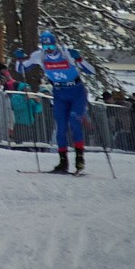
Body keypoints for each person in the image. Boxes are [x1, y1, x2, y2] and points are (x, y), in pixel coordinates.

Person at [21, 29, 97, 173]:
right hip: (59, 92)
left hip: (76, 92)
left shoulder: (66, 53)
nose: (49, 49)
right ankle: (63, 161)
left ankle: (79, 158)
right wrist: (19, 59)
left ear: (55, 44)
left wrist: (79, 59)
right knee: (60, 127)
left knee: (74, 123)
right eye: (45, 46)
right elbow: (21, 69)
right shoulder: (39, 55)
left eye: (51, 46)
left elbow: (91, 71)